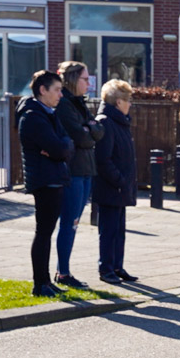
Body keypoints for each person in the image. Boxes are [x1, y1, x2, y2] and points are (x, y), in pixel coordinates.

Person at [18, 69, 74, 297]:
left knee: (46, 232)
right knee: (43, 232)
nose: (61, 95)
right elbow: (59, 148)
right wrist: (60, 149)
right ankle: (40, 283)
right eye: (57, 90)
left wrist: (61, 148)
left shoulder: (49, 113)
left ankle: (46, 281)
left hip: (54, 177)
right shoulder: (33, 116)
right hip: (44, 180)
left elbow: (66, 144)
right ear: (43, 90)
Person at [51, 62, 102, 289]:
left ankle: (64, 270)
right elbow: (81, 137)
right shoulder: (64, 104)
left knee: (74, 222)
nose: (89, 84)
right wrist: (88, 130)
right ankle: (63, 272)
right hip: (73, 171)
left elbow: (98, 131)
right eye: (85, 79)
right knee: (69, 222)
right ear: (72, 79)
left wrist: (89, 129)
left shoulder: (80, 103)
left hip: (87, 168)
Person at [93, 79, 138, 284]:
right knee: (109, 231)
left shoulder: (121, 122)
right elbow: (103, 159)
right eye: (128, 100)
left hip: (120, 187)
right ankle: (106, 268)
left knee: (119, 231)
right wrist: (120, 180)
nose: (130, 104)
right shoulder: (106, 122)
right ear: (118, 102)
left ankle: (117, 266)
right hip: (111, 187)